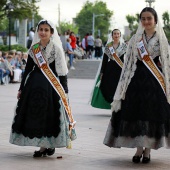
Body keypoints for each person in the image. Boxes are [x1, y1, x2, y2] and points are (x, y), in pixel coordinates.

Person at [103, 7, 170, 164]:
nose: (146, 21)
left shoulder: (161, 39)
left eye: (149, 18)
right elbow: (128, 63)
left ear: (155, 20)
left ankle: (147, 150)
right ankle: (138, 148)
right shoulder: (135, 39)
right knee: (137, 114)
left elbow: (167, 64)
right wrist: (124, 85)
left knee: (150, 115)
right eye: (143, 18)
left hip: (154, 82)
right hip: (136, 80)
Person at [9, 20, 76, 157]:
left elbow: (62, 72)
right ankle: (43, 145)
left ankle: (47, 145)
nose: (43, 32)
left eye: (46, 30)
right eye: (41, 29)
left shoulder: (56, 49)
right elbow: (27, 70)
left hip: (51, 88)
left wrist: (65, 92)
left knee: (50, 117)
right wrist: (21, 89)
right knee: (36, 116)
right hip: (33, 88)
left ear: (51, 33)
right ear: (37, 31)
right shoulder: (34, 49)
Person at [90, 29, 127, 109]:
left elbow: (127, 59)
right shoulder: (108, 46)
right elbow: (105, 60)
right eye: (115, 34)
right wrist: (102, 72)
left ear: (120, 35)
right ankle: (111, 104)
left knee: (119, 88)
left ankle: (118, 106)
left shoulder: (124, 46)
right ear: (112, 35)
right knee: (109, 87)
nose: (116, 35)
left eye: (118, 34)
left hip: (120, 70)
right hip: (109, 70)